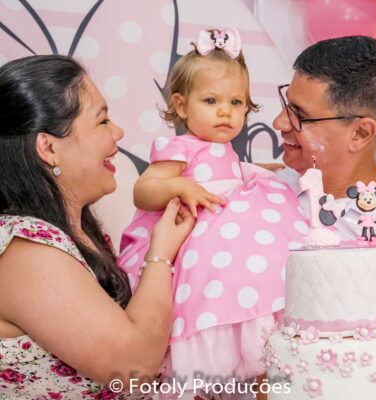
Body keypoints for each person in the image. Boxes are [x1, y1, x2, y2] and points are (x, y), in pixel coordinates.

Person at [118, 28, 306, 399]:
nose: (225, 111)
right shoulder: (179, 147)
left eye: (236, 102)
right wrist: (180, 186)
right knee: (210, 292)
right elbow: (144, 190)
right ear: (181, 105)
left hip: (225, 240)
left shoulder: (226, 149)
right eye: (211, 100)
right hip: (196, 241)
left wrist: (254, 171)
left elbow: (226, 176)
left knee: (258, 264)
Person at [0, 55, 195, 399]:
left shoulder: (78, 234)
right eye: (102, 120)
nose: (117, 132)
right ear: (48, 147)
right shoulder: (26, 250)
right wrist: (160, 255)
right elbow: (132, 367)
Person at [273, 35, 376, 245]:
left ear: (361, 133)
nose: (279, 123)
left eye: (301, 115)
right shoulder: (262, 188)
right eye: (287, 105)